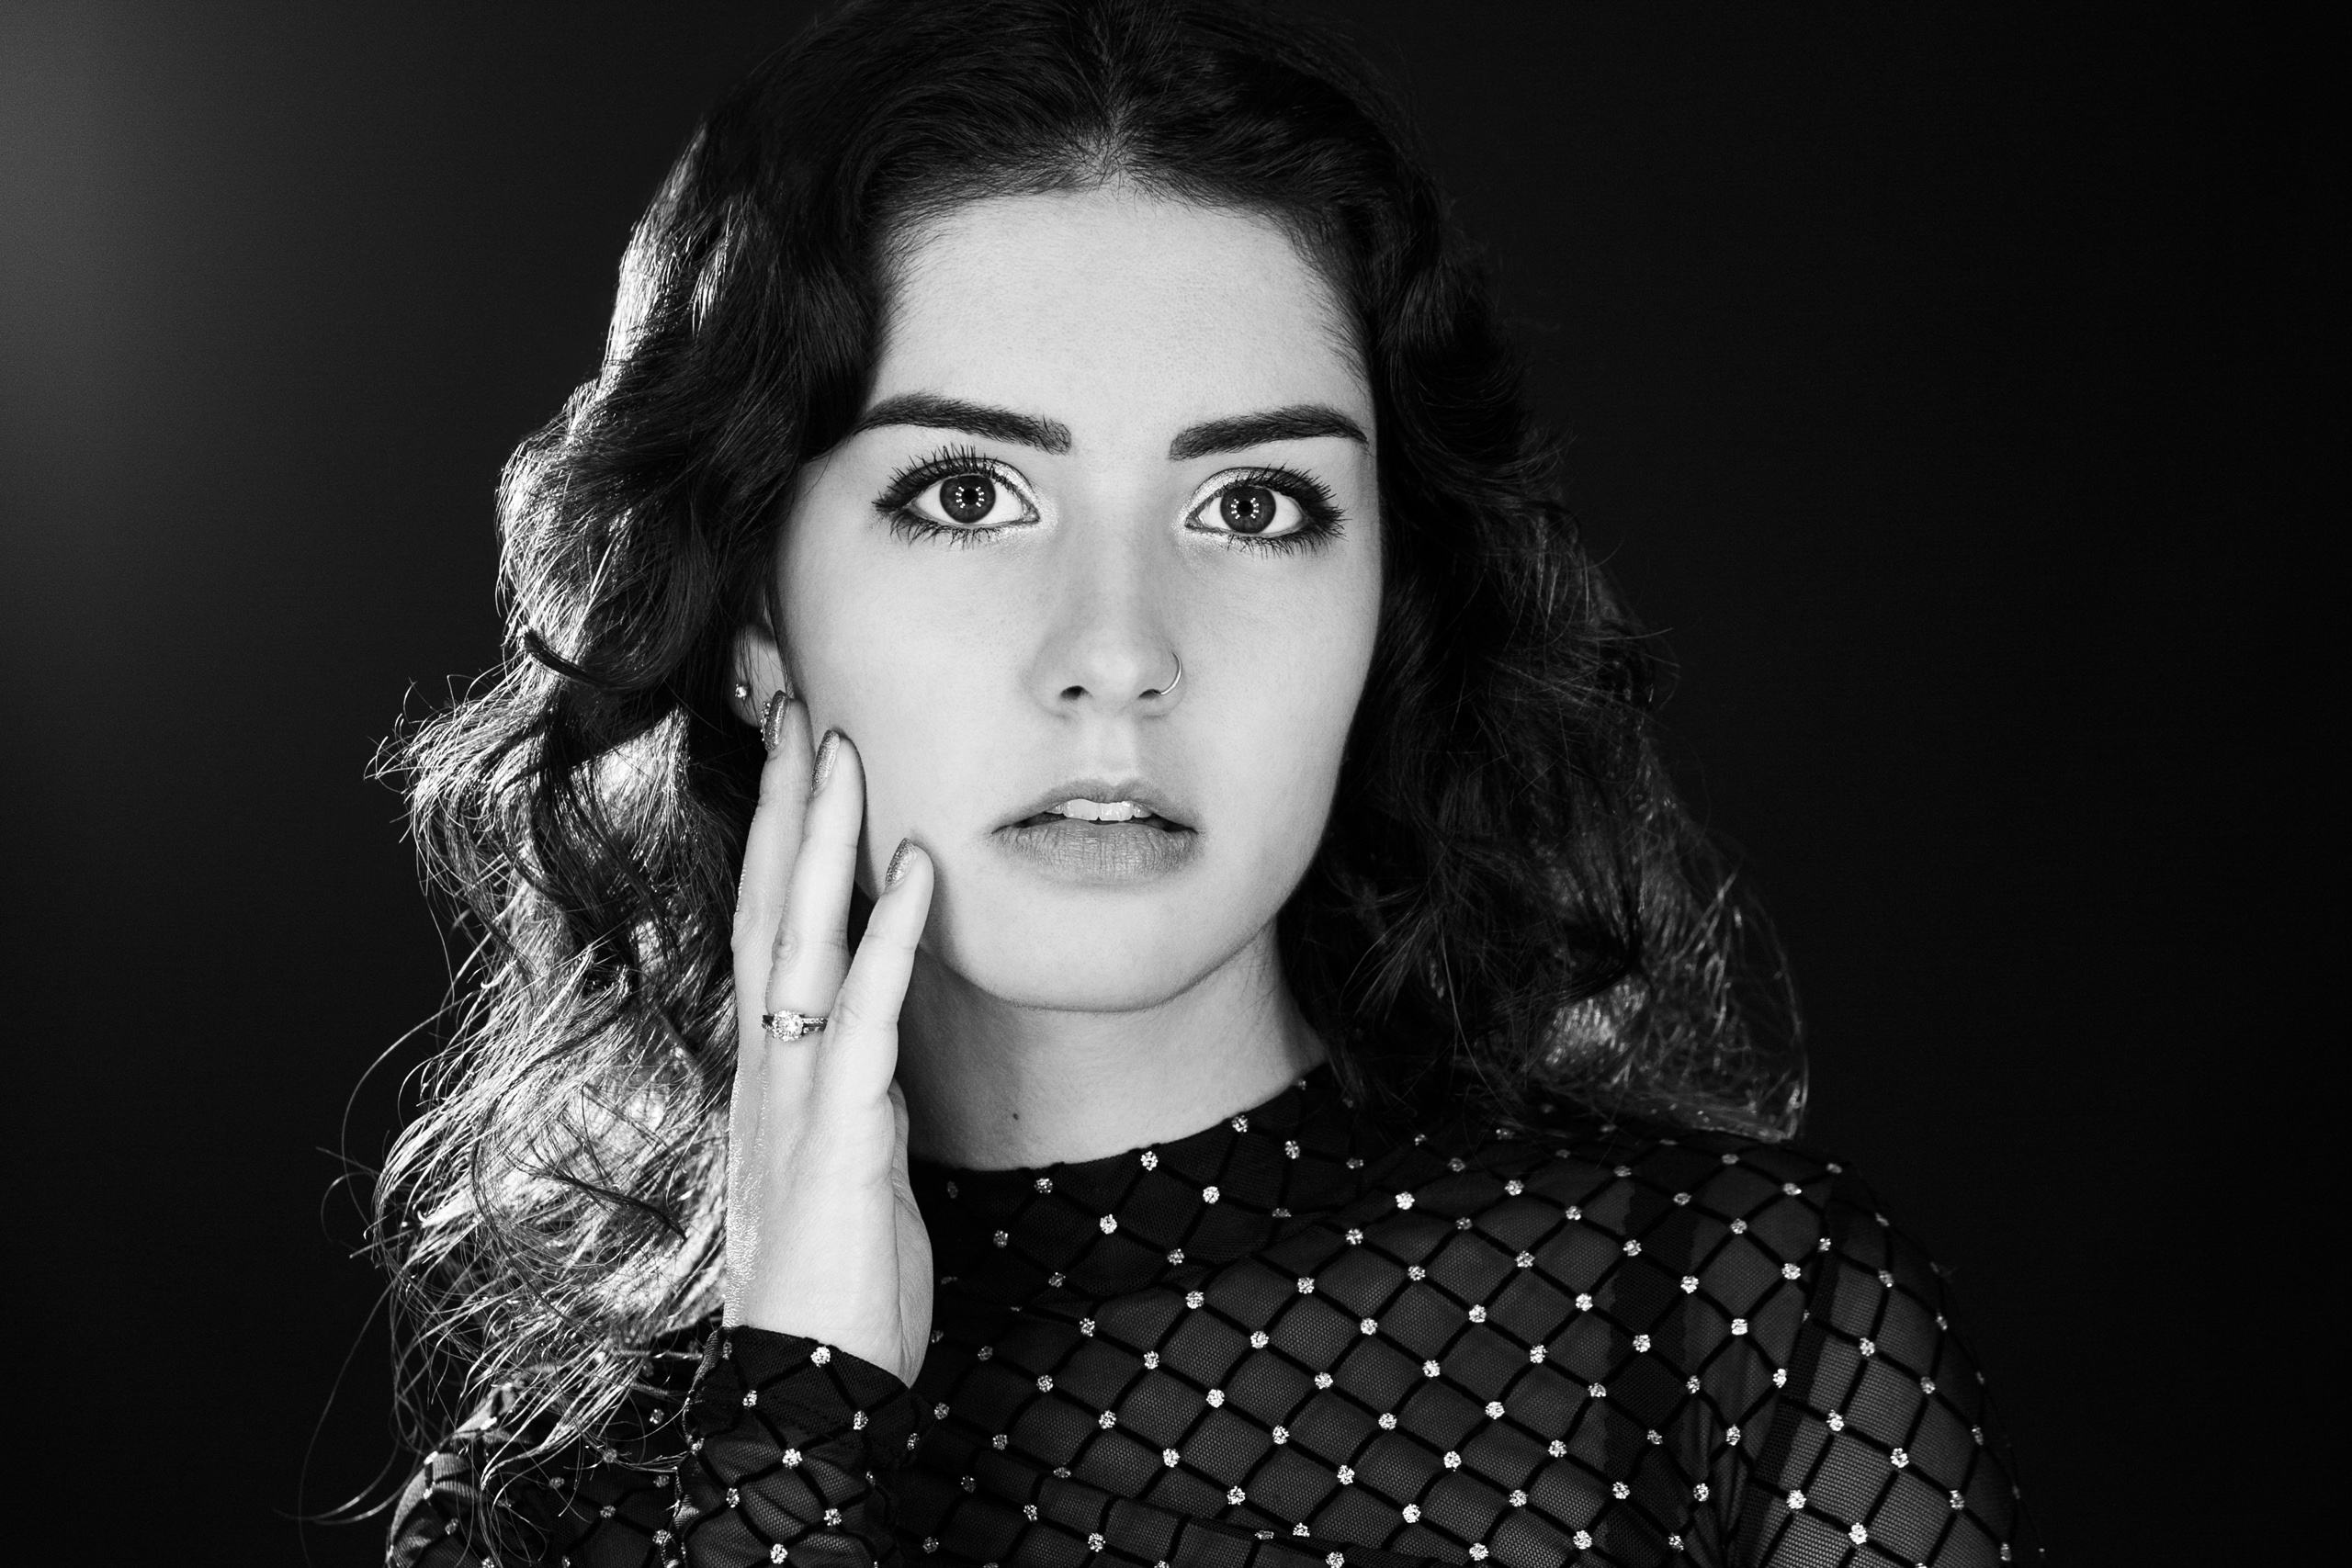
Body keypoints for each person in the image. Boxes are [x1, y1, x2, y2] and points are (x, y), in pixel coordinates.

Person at [379, 2, 2035, 1563]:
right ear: (754, 608)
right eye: (968, 495)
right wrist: (791, 1429)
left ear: (1387, 593)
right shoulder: (554, 1515)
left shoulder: (1740, 1328)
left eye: (1250, 506)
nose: (1118, 651)